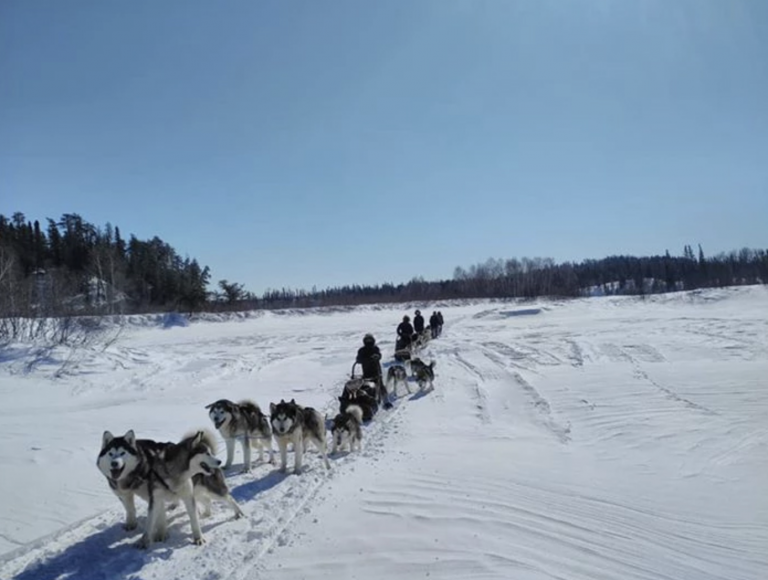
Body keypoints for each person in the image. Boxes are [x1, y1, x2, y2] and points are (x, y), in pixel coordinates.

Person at [356, 334, 392, 409]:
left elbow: (379, 355)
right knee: (364, 386)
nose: (369, 343)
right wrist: (365, 360)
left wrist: (377, 357)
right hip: (366, 371)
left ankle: (386, 401)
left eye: (370, 341)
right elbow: (358, 359)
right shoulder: (361, 350)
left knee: (381, 385)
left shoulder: (375, 348)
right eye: (367, 341)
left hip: (376, 370)